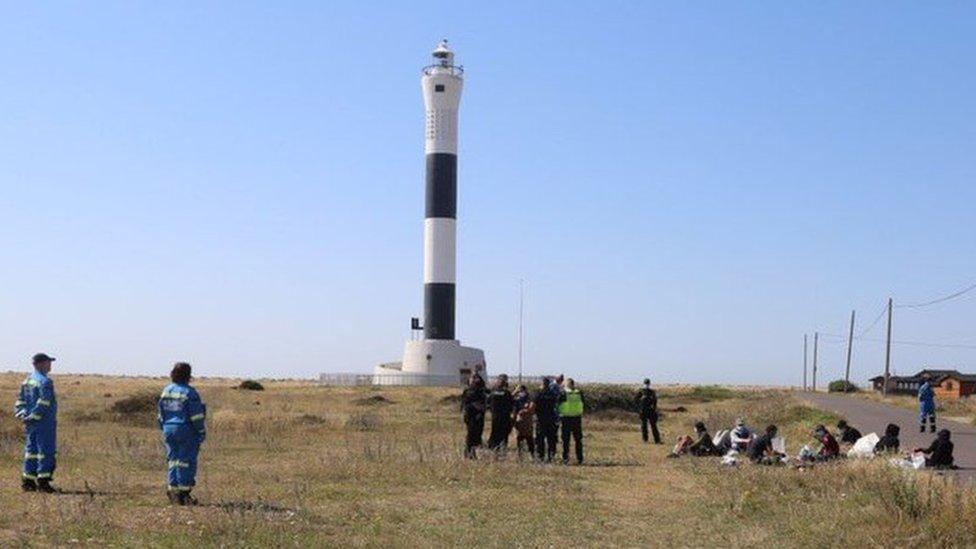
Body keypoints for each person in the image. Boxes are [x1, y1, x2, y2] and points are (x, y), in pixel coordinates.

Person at [158, 362, 207, 505]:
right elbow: (196, 416)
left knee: (173, 459)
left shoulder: (166, 390)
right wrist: (201, 431)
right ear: (188, 375)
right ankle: (184, 495)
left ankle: (172, 491)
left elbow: (161, 413)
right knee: (186, 461)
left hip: (168, 429)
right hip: (186, 430)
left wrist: (164, 427)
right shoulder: (190, 393)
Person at [14, 353, 59, 493]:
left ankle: (28, 482)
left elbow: (20, 402)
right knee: (45, 451)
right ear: (40, 364)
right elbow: (44, 403)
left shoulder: (26, 381)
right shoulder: (45, 382)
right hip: (43, 422)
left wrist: (23, 415)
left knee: (31, 451)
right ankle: (43, 482)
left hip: (30, 423)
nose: (50, 365)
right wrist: (34, 416)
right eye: (48, 362)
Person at [460, 373, 488, 459]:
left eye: (476, 378)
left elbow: (486, 401)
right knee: (471, 434)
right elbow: (464, 403)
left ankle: (473, 452)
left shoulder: (482, 390)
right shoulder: (468, 391)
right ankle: (468, 453)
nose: (474, 380)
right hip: (470, 415)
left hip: (480, 415)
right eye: (472, 378)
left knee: (477, 434)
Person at [558, 378, 585, 464]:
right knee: (578, 440)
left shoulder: (563, 393)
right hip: (577, 418)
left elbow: (557, 404)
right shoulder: (579, 393)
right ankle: (580, 458)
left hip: (566, 418)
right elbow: (583, 403)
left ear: (567, 384)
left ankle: (565, 458)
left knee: (566, 440)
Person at [534, 378, 560, 462]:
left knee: (540, 439)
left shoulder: (538, 394)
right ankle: (551, 456)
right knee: (551, 439)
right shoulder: (553, 394)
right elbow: (556, 404)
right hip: (551, 419)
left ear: (542, 384)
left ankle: (541, 457)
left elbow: (533, 406)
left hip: (541, 419)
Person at [486, 374, 514, 452]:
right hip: (505, 417)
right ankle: (503, 449)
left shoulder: (493, 392)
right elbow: (511, 404)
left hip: (495, 416)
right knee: (504, 434)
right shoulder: (507, 393)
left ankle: (494, 448)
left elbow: (488, 404)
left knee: (495, 432)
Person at [635, 379, 661, 444]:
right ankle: (645, 439)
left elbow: (655, 401)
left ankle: (657, 440)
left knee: (653, 425)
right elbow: (636, 400)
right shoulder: (640, 391)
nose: (647, 385)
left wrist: (654, 409)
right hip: (643, 410)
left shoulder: (652, 392)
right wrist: (639, 408)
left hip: (650, 410)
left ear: (649, 384)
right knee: (644, 426)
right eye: (646, 383)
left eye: (648, 383)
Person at [512, 385, 535, 458]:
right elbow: (510, 399)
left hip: (527, 420)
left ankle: (532, 455)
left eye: (522, 390)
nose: (521, 392)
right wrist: (515, 392)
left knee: (529, 438)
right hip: (519, 421)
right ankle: (520, 455)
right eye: (519, 391)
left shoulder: (529, 398)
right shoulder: (516, 399)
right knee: (519, 438)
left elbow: (532, 407)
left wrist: (526, 410)